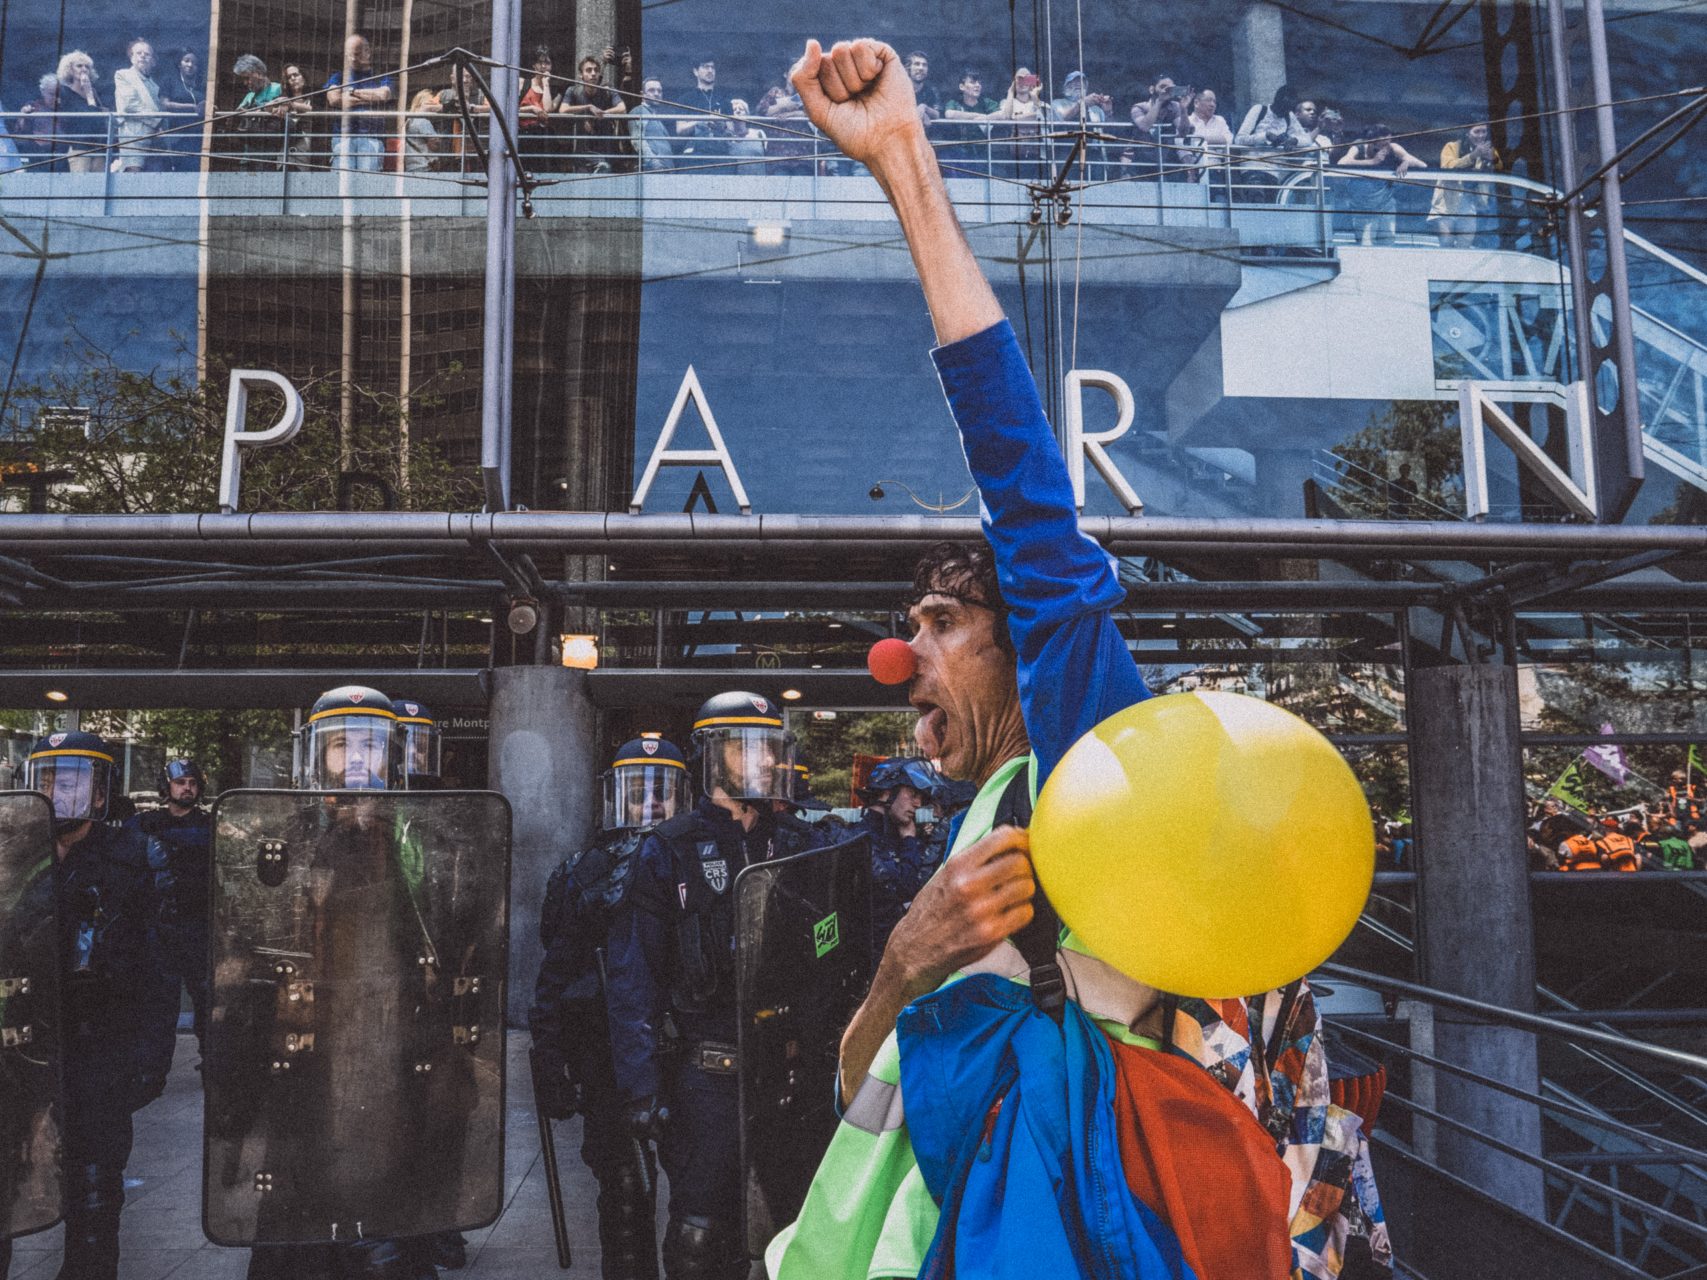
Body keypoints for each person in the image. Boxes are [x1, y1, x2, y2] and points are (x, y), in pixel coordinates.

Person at [765, 39, 1392, 1280]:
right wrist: (903, 961)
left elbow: (1023, 485)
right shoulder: (987, 815)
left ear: (1024, 644)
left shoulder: (1090, 757)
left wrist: (904, 160)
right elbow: (860, 1094)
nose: (903, 656)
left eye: (940, 623)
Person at [605, 691, 798, 1279]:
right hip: (705, 1071)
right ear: (713, 756)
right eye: (747, 747)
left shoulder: (794, 842)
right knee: (699, 1231)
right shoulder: (670, 847)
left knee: (780, 1228)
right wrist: (640, 1087)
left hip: (783, 1068)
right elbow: (633, 974)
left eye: (770, 747)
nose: (764, 759)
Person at [20, 730, 183, 1280]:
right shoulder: (14, 855)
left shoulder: (135, 855)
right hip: (23, 1049)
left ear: (97, 793)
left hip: (102, 1046)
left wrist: (152, 1059)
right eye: (47, 781)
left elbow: (161, 967)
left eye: (70, 782)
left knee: (94, 1189)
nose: (56, 794)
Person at [532, 734, 690, 1280]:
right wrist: (549, 1056)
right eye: (638, 792)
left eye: (663, 791)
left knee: (697, 1195)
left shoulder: (696, 860)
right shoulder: (583, 870)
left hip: (684, 1048)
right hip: (607, 1054)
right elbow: (556, 973)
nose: (652, 803)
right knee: (624, 1191)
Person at [125, 758, 214, 1052]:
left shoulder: (209, 824)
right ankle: (153, 1068)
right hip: (159, 929)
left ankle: (210, 1062)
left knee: (206, 1002)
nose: (187, 788)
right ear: (167, 787)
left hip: (198, 927)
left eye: (192, 783)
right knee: (158, 1007)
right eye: (180, 783)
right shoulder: (146, 822)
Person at [854, 757, 943, 959]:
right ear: (887, 793)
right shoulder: (863, 838)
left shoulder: (897, 835)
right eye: (912, 795)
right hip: (871, 955)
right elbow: (904, 889)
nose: (918, 803)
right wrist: (910, 840)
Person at [1337, 125, 1425, 245]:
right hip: (1362, 207)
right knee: (1366, 244)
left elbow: (1422, 165)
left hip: (1385, 205)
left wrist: (1406, 161)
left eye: (1388, 143)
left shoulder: (1393, 148)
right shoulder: (1359, 147)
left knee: (1388, 242)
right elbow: (1342, 163)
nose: (1386, 148)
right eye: (1383, 144)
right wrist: (1372, 162)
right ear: (1372, 142)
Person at [324, 34, 394, 172]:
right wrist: (369, 97)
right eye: (348, 55)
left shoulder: (381, 76)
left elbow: (383, 94)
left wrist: (351, 92)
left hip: (371, 137)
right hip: (343, 137)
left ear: (367, 52)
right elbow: (333, 98)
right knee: (341, 178)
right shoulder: (338, 76)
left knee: (368, 181)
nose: (352, 59)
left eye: (356, 54)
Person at [1428, 122, 1503, 247]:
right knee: (1446, 242)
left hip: (1469, 204)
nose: (1481, 135)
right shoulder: (1451, 146)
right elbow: (1448, 167)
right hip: (1446, 204)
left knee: (1465, 244)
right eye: (1477, 131)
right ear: (1467, 133)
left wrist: (1492, 159)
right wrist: (1473, 156)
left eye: (1484, 131)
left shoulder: (1487, 149)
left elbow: (1500, 168)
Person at [562, 51, 628, 174]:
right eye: (588, 70)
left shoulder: (608, 90)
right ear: (581, 75)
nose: (593, 73)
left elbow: (622, 108)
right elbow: (563, 110)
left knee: (604, 173)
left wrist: (602, 113)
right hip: (582, 154)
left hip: (604, 153)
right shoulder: (573, 91)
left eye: (596, 70)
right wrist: (588, 107)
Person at [111, 38, 164, 172]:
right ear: (131, 57)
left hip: (154, 138)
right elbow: (130, 105)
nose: (142, 56)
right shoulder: (123, 75)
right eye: (138, 53)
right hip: (133, 134)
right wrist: (157, 121)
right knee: (133, 173)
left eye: (147, 54)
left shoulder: (154, 84)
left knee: (154, 176)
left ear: (153, 60)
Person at [53, 51, 109, 174]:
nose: (84, 69)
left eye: (87, 67)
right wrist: (89, 95)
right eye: (79, 66)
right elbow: (84, 118)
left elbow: (100, 120)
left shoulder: (94, 92)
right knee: (81, 184)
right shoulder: (65, 93)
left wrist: (90, 94)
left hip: (99, 148)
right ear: (70, 70)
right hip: (79, 147)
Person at [1050, 70, 1111, 179]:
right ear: (1066, 86)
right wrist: (1081, 103)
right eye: (1074, 82)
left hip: (1092, 153)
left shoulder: (1096, 109)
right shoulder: (1056, 103)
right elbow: (1061, 119)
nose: (1078, 84)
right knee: (1067, 184)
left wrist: (1107, 111)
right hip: (1067, 152)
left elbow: (1105, 131)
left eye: (1082, 82)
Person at [938, 68, 998, 175]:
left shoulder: (986, 102)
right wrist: (979, 116)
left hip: (981, 155)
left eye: (979, 82)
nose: (978, 85)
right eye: (973, 82)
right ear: (962, 87)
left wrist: (986, 118)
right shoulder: (954, 102)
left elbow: (1002, 114)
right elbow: (949, 114)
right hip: (959, 155)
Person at [157, 48, 207, 171]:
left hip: (199, 135)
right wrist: (193, 107)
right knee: (182, 168)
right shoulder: (170, 81)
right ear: (179, 63)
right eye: (186, 61)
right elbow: (164, 104)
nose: (190, 65)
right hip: (178, 135)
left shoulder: (202, 84)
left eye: (194, 63)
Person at [232, 54, 284, 170]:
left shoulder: (277, 89)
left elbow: (286, 109)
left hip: (269, 158)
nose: (245, 83)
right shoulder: (249, 96)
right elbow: (235, 120)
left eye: (247, 78)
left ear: (259, 73)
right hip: (248, 158)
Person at [517, 45, 564, 171]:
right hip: (524, 135)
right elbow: (512, 110)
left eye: (547, 63)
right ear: (534, 65)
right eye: (540, 62)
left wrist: (546, 84)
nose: (543, 66)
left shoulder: (556, 91)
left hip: (545, 138)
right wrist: (531, 108)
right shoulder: (522, 83)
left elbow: (547, 109)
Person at [994, 67, 1047, 180]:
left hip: (1037, 155)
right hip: (1015, 155)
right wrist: (1010, 92)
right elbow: (1006, 118)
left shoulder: (1041, 104)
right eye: (1019, 79)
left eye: (1026, 79)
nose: (1022, 83)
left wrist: (1035, 96)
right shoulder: (1006, 103)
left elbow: (1043, 119)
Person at [675, 56, 727, 167]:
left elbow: (732, 130)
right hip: (694, 155)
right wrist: (702, 121)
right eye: (705, 67)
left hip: (720, 154)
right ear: (695, 71)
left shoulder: (724, 98)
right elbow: (680, 130)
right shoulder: (685, 99)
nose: (710, 70)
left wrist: (722, 125)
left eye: (713, 67)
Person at [630, 77, 675, 171]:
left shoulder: (655, 116)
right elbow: (637, 140)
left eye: (659, 91)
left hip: (666, 169)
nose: (656, 94)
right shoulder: (639, 111)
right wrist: (653, 162)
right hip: (654, 169)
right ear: (642, 94)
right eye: (651, 90)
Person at [404, 87, 443, 172]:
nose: (434, 106)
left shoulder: (409, 120)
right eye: (430, 103)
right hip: (425, 166)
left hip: (412, 165)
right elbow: (435, 144)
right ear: (421, 104)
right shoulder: (423, 121)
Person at [724, 98, 767, 170]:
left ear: (747, 114)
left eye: (741, 109)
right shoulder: (728, 137)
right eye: (734, 110)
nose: (738, 111)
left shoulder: (759, 133)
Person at [904, 51, 939, 124]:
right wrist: (922, 115)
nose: (921, 68)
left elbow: (937, 114)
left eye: (924, 65)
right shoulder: (898, 89)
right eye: (917, 64)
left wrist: (924, 108)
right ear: (908, 68)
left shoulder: (932, 90)